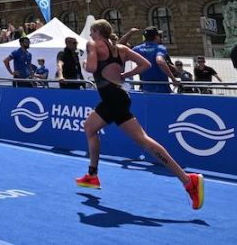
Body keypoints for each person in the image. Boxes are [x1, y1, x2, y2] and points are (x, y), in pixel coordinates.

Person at [76, 19, 204, 210]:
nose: (90, 36)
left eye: (92, 32)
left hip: (112, 99)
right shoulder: (121, 49)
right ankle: (92, 175)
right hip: (117, 97)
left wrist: (86, 61)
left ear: (96, 31)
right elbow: (145, 64)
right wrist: (125, 76)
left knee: (143, 140)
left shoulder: (92, 44)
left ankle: (188, 180)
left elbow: (92, 68)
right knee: (89, 127)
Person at [132, 27, 178, 94]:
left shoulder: (137, 49)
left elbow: (121, 49)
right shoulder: (160, 48)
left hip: (146, 89)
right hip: (162, 89)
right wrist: (173, 79)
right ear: (156, 37)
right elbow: (160, 61)